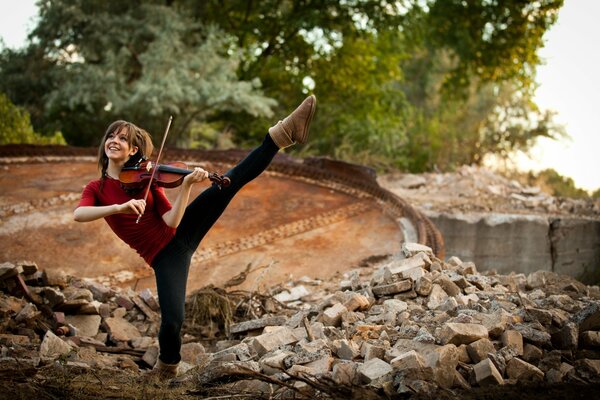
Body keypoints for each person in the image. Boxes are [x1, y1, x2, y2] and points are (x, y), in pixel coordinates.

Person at [73, 95, 317, 378]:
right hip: (165, 256)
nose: (114, 140)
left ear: (132, 150)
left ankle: (281, 134)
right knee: (173, 320)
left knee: (229, 182)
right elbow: (79, 214)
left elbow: (172, 220)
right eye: (111, 136)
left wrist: (187, 185)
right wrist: (120, 206)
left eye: (123, 138)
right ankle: (167, 368)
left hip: (182, 231)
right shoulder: (97, 188)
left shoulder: (148, 177)